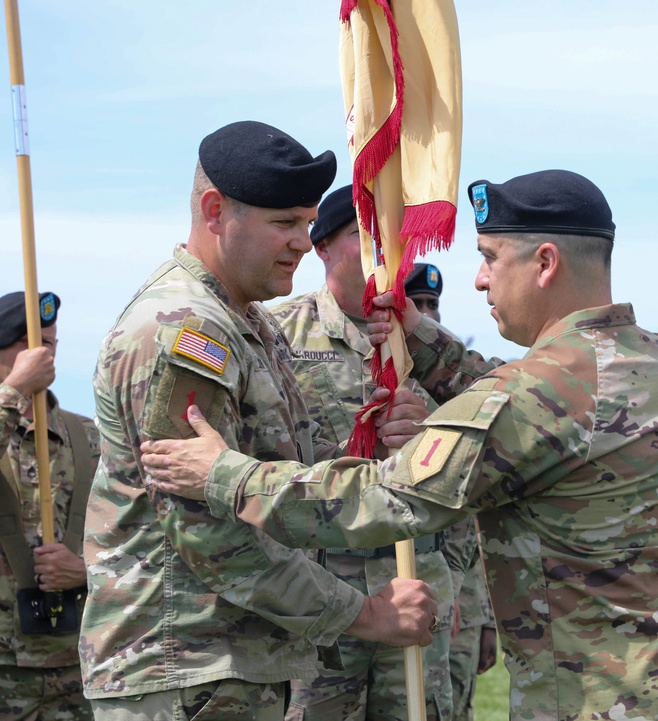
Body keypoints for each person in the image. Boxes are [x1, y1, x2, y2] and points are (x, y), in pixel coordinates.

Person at [141, 169, 658, 721]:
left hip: (612, 698)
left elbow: (385, 498)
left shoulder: (535, 392)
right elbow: (530, 401)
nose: (476, 280)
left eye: (490, 257)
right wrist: (419, 334)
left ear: (546, 263)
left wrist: (225, 475)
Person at [80, 121, 436, 721]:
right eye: (283, 224)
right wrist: (363, 614)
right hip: (182, 667)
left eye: (306, 221)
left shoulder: (246, 321)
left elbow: (266, 478)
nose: (303, 241)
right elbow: (208, 532)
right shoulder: (186, 331)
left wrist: (384, 451)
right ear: (216, 211)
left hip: (230, 664)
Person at [269, 187, 467, 721]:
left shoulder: (428, 347)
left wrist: (427, 442)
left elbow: (474, 465)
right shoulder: (276, 336)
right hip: (323, 595)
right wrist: (364, 450)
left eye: (394, 238)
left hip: (416, 583)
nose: (385, 252)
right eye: (365, 235)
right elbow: (265, 463)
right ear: (322, 249)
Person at [402, 262, 498, 721]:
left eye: (431, 305)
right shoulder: (379, 373)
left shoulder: (455, 382)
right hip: (379, 594)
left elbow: (478, 510)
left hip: (457, 594)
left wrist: (482, 616)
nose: (426, 312)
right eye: (415, 304)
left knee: (451, 707)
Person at [0, 292, 99, 721]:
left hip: (74, 663)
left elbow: (137, 534)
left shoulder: (89, 437)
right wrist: (15, 390)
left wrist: (86, 569)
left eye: (49, 343)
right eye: (25, 343)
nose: (40, 353)